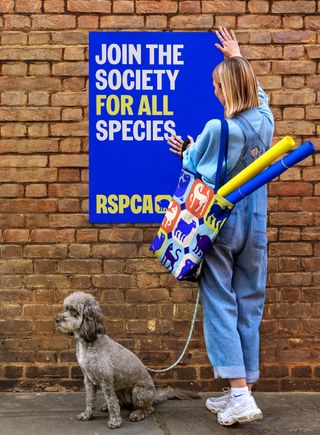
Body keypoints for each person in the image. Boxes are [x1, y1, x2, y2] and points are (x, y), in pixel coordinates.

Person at [167, 27, 275, 426]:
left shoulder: (217, 130)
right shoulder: (266, 122)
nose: (215, 93)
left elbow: (198, 171)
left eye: (218, 86)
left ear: (227, 89)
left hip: (223, 228)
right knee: (249, 304)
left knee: (219, 305)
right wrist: (238, 55)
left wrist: (186, 151)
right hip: (256, 226)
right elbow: (259, 98)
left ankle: (240, 396)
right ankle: (241, 390)